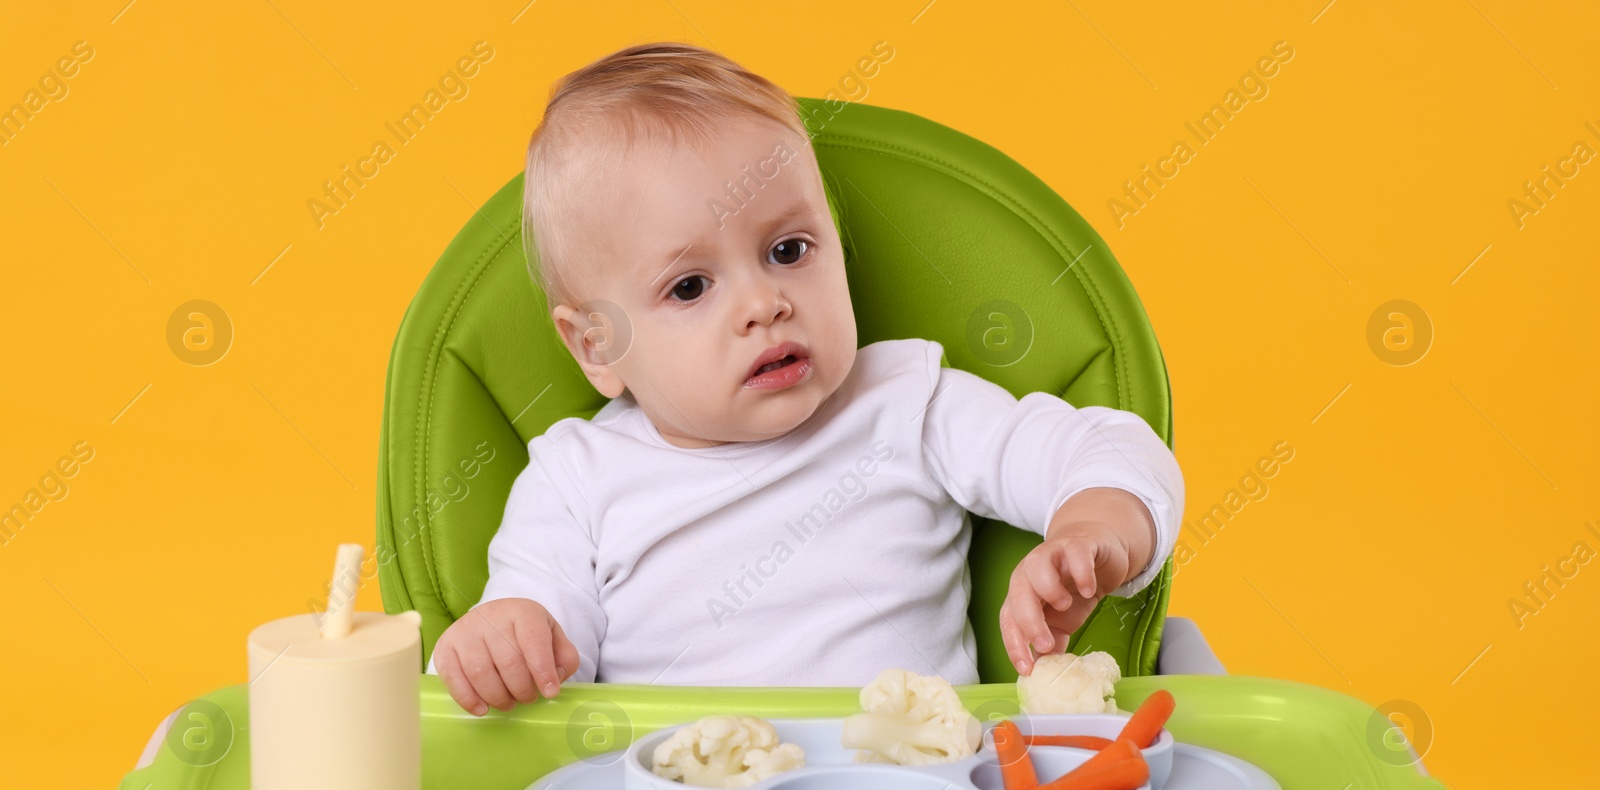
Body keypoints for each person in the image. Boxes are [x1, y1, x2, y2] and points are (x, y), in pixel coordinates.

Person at [428, 42, 1183, 714]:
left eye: (789, 249)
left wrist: (1095, 530)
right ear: (597, 345)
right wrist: (501, 643)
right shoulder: (576, 481)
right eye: (690, 287)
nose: (765, 303)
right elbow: (534, 650)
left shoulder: (909, 403)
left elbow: (1109, 449)